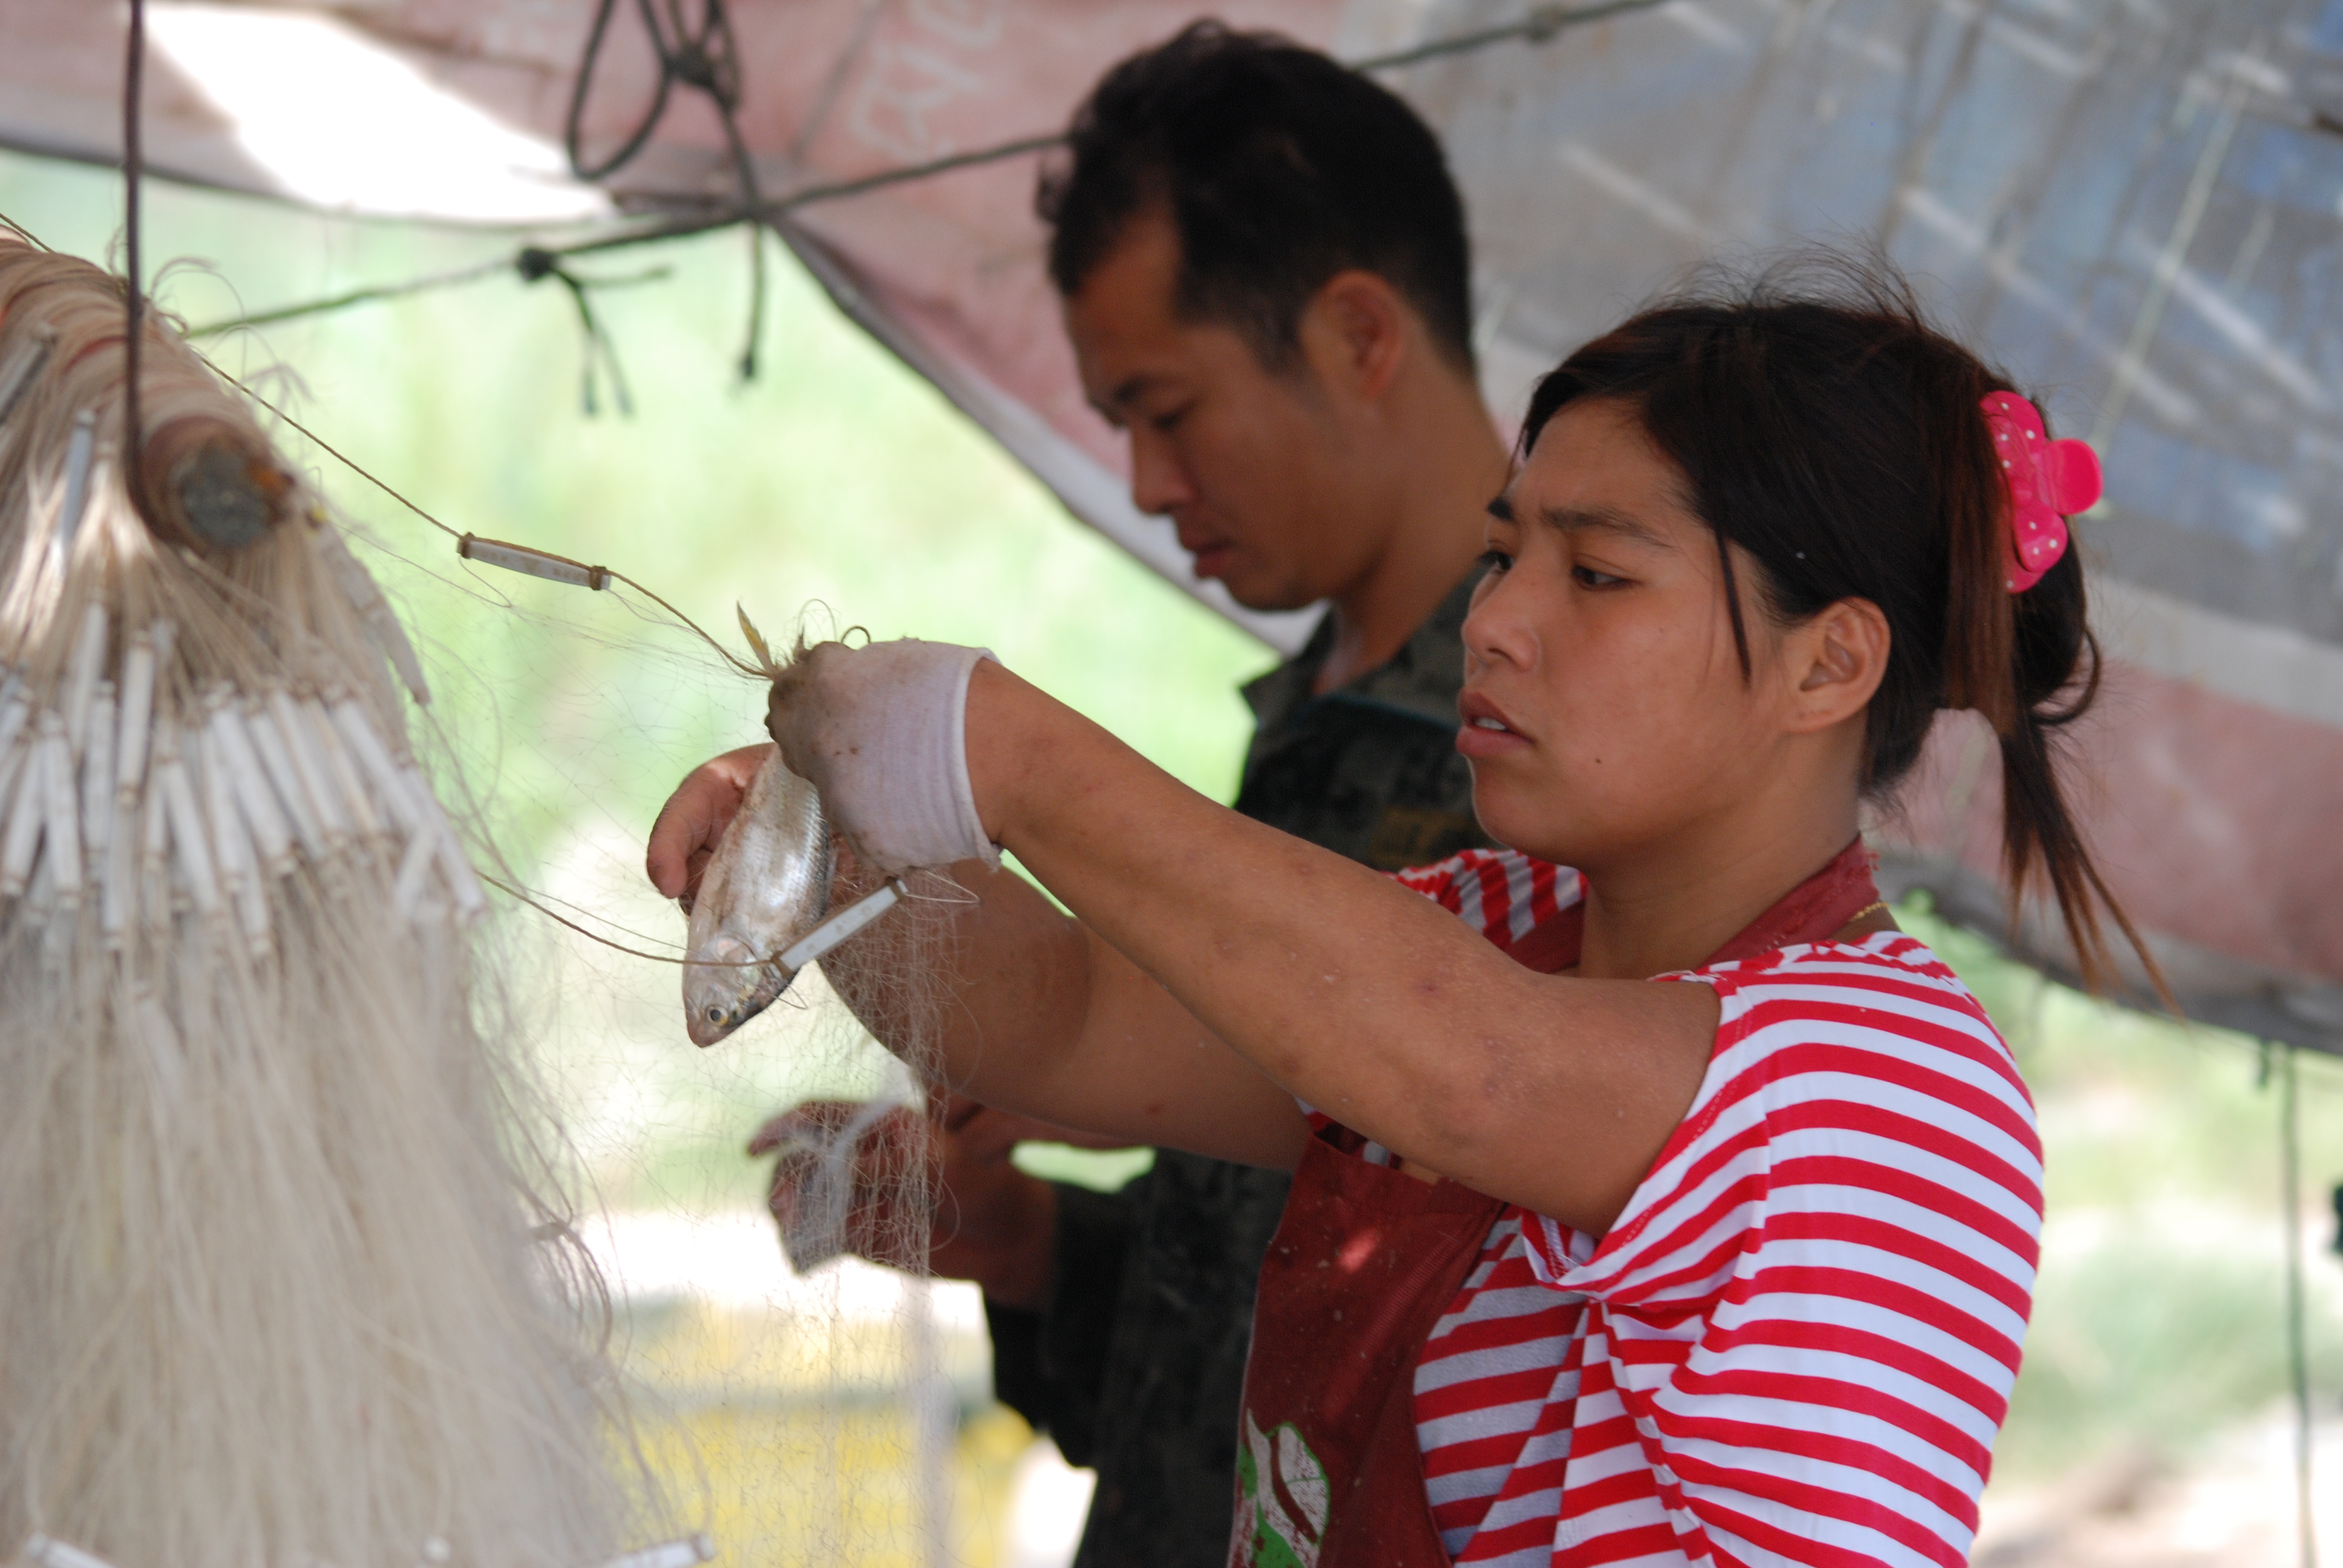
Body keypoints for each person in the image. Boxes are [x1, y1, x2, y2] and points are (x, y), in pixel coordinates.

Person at [651, 258, 2157, 1566]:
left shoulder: (1893, 1085)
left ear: (1828, 668)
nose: (1495, 619)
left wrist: (1002, 753)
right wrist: (837, 842)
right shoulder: (1493, 928)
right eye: (1505, 552)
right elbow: (1074, 1017)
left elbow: (1468, 1070)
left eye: (1597, 573)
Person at [664, 24, 1513, 1562]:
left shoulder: (1558, 773)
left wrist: (987, 757)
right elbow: (1244, 1200)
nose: (1139, 482)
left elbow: (1510, 1289)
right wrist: (1040, 1244)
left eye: (1165, 409)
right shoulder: (1318, 721)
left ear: (1358, 336)